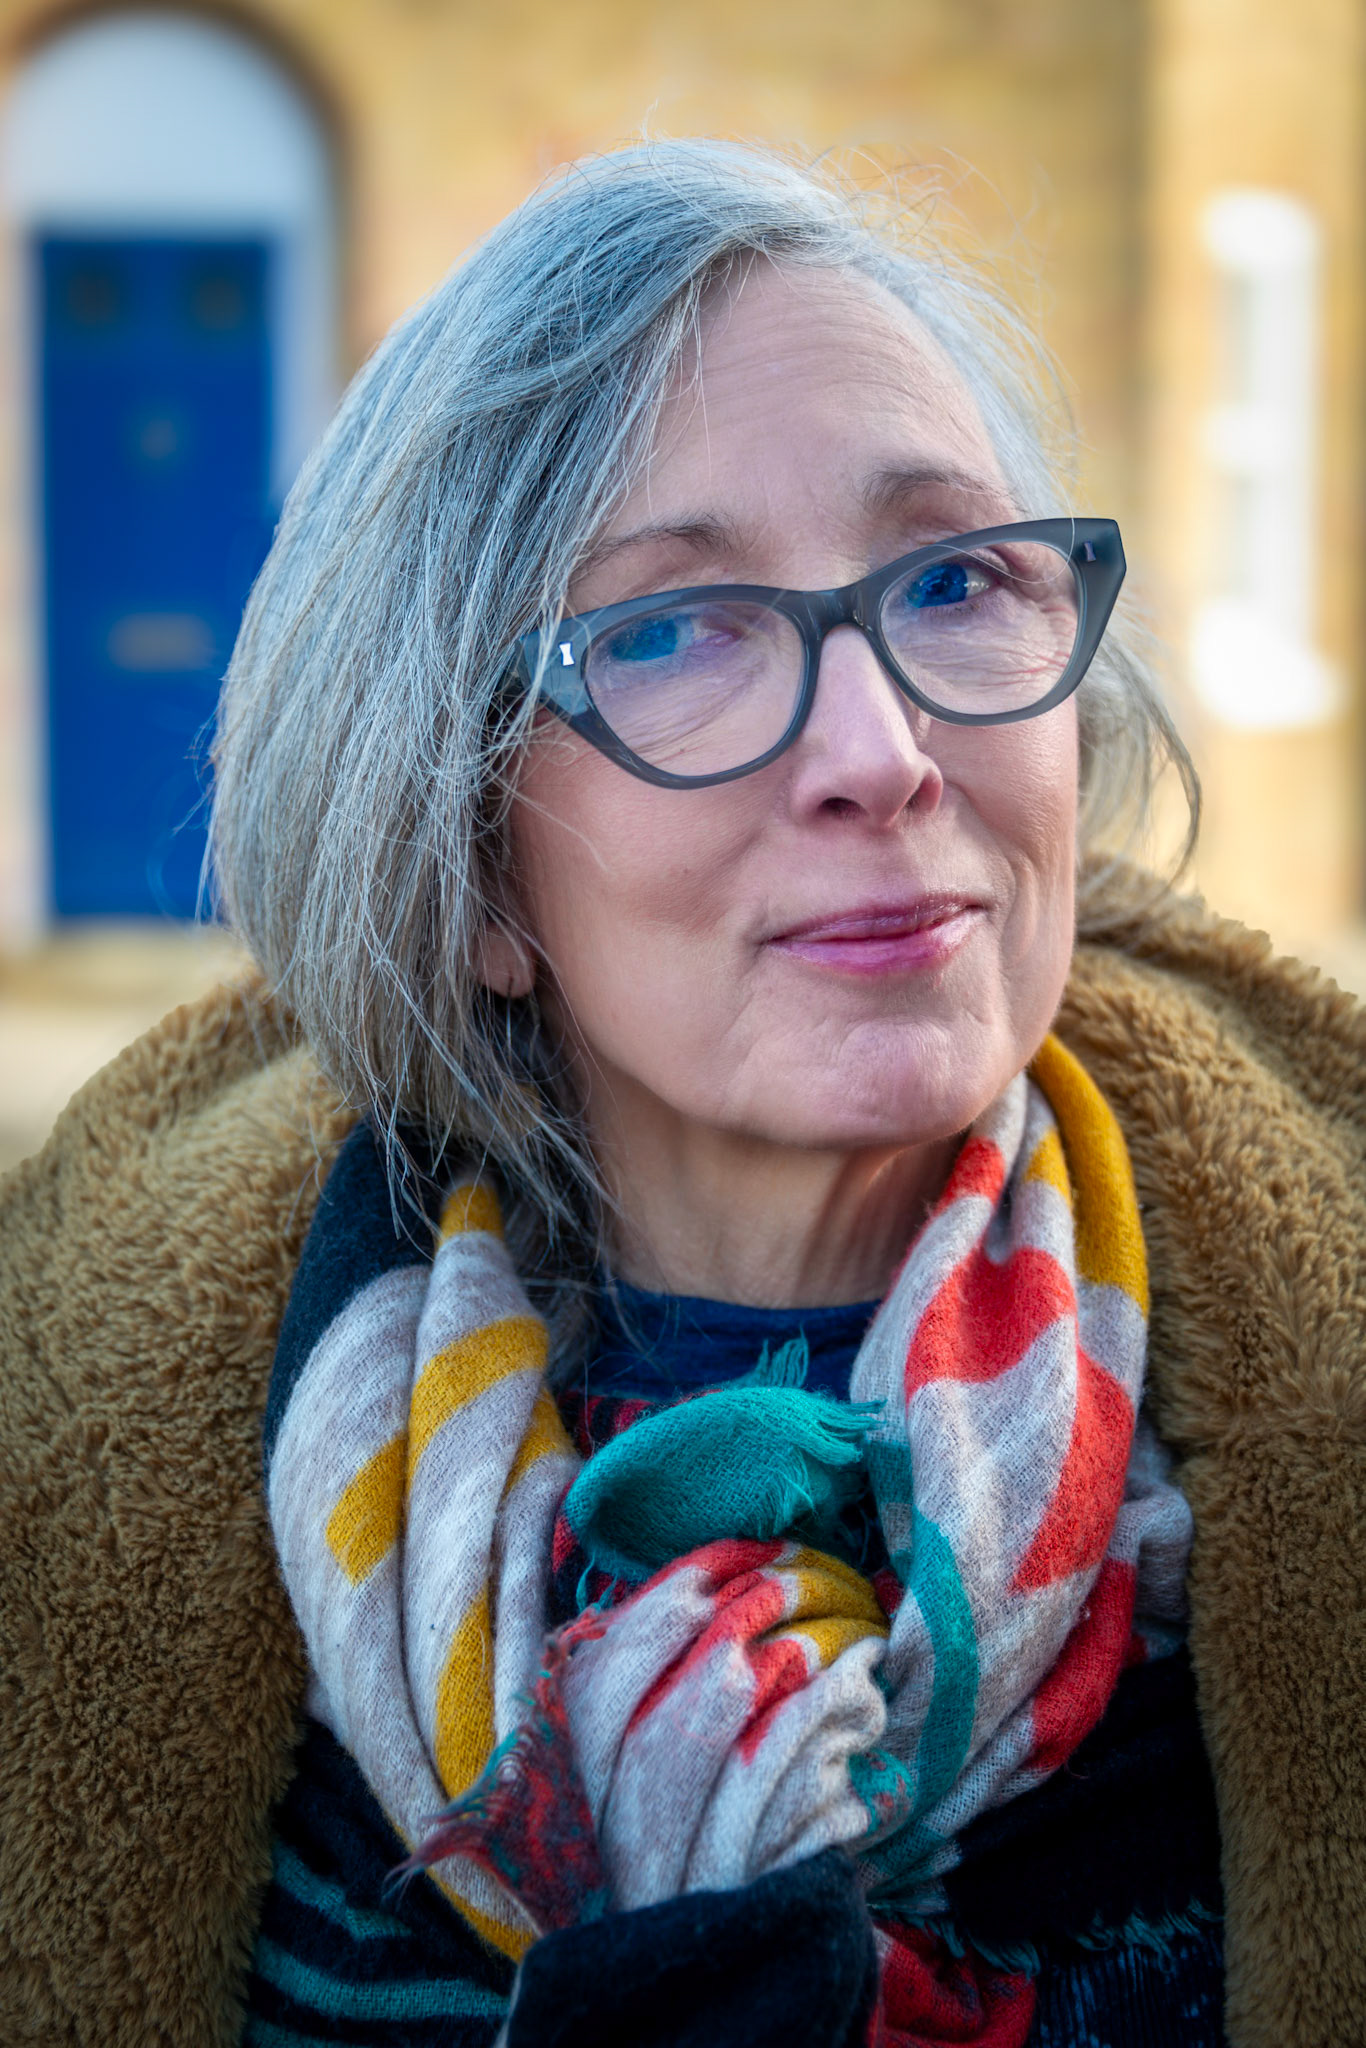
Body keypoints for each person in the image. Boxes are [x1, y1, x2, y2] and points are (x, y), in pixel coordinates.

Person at [1, 141, 1362, 2048]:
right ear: (470, 867)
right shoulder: (91, 1482)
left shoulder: (1319, 1407)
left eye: (957, 576)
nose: (880, 754)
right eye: (668, 630)